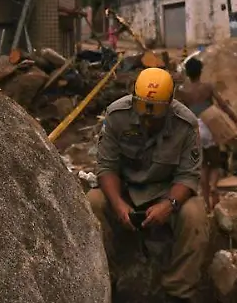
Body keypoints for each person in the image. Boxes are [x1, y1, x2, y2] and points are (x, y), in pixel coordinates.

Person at [89, 67, 210, 303]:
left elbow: (188, 175)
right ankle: (106, 279)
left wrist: (170, 204)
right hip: (125, 190)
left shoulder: (185, 124)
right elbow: (106, 167)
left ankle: (178, 291)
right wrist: (118, 204)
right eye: (142, 115)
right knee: (93, 202)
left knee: (195, 215)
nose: (147, 122)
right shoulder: (117, 115)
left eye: (154, 118)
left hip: (166, 190)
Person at [175, 56, 237, 211]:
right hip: (209, 125)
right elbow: (222, 105)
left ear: (188, 73)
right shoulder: (208, 87)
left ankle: (206, 204)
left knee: (202, 165)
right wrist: (235, 119)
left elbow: (179, 112)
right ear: (200, 71)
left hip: (195, 129)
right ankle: (214, 187)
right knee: (215, 162)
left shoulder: (183, 91)